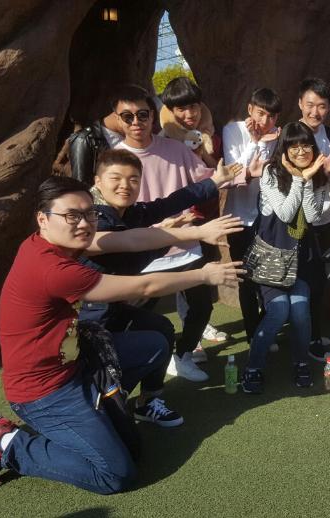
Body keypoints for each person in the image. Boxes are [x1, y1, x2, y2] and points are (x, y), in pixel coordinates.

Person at [0, 176, 243, 494]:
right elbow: (145, 286)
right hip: (44, 392)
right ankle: (8, 444)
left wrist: (197, 231)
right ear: (43, 219)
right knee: (116, 475)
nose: (84, 223)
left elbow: (130, 240)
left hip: (76, 364)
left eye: (89, 213)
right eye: (72, 215)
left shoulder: (52, 242)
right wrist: (204, 274)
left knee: (155, 344)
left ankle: (116, 409)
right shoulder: (53, 269)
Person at [81, 149, 241, 386]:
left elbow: (171, 202)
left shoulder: (129, 212)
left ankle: (150, 397)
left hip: (112, 309)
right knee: (106, 372)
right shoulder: (93, 218)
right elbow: (130, 249)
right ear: (98, 181)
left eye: (133, 179)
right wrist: (194, 233)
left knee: (162, 329)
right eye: (115, 178)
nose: (125, 185)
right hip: (85, 319)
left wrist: (214, 181)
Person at [110, 84, 222, 382]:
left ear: (153, 116)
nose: (136, 122)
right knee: (131, 312)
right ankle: (126, 368)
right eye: (127, 116)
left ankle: (183, 355)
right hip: (143, 248)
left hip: (185, 243)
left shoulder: (175, 149)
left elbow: (205, 179)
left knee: (201, 306)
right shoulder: (114, 158)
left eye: (142, 114)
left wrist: (238, 174)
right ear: (118, 120)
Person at [241, 122, 329, 394]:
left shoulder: (317, 175)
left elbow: (312, 216)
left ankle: (301, 362)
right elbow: (285, 213)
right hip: (272, 259)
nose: (301, 151)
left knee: (301, 310)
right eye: (294, 146)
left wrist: (309, 179)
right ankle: (253, 366)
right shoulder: (271, 171)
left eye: (306, 145)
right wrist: (301, 180)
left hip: (301, 260)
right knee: (279, 310)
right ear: (285, 149)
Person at [159, 77, 230, 348]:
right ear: (171, 111)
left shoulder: (212, 136)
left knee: (205, 267)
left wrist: (203, 152)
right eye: (181, 109)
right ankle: (191, 333)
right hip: (182, 218)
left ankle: (200, 323)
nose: (190, 114)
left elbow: (217, 170)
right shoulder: (165, 143)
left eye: (194, 107)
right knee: (185, 273)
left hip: (208, 214)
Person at [222, 87, 283, 350]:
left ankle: (267, 329)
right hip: (239, 218)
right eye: (260, 113)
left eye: (271, 116)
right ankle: (252, 333)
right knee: (246, 279)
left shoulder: (278, 136)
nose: (264, 121)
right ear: (250, 109)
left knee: (267, 278)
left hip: (268, 218)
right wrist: (256, 142)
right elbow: (234, 174)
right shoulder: (232, 130)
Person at [297, 77, 330, 359]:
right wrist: (323, 172)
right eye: (310, 105)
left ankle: (311, 332)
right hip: (299, 219)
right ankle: (306, 338)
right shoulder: (292, 134)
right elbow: (293, 178)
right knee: (304, 280)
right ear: (300, 104)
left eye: (321, 106)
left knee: (318, 280)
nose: (315, 112)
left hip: (324, 219)